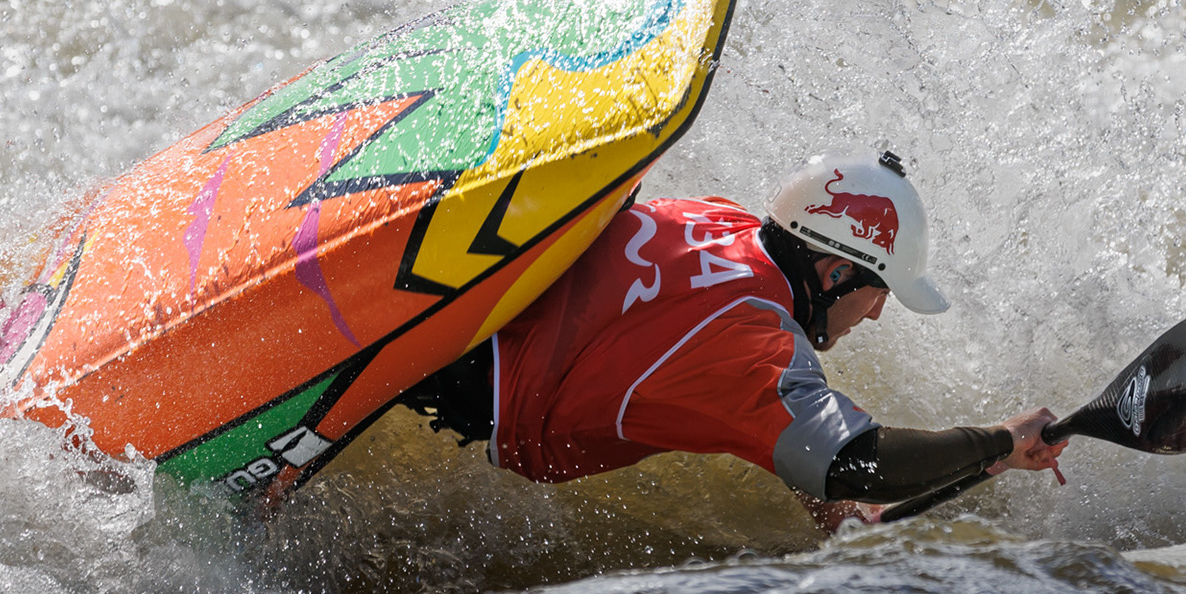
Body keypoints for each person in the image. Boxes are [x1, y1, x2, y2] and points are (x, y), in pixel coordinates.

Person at [401, 150, 1067, 530]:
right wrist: (1001, 439)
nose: (875, 317)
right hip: (461, 400)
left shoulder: (722, 222)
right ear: (835, 274)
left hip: (452, 308)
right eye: (878, 293)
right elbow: (857, 459)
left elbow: (769, 415)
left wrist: (835, 503)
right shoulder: (753, 339)